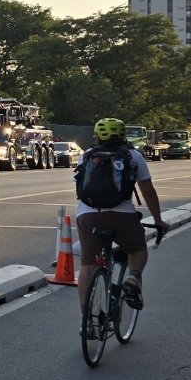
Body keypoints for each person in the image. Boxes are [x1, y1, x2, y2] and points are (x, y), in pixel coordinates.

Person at [74, 117, 167, 318]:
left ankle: (87, 320)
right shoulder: (134, 156)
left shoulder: (86, 155)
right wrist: (158, 220)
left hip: (88, 215)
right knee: (138, 248)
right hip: (122, 215)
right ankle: (133, 278)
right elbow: (149, 192)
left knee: (88, 265)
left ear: (97, 136)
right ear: (123, 135)